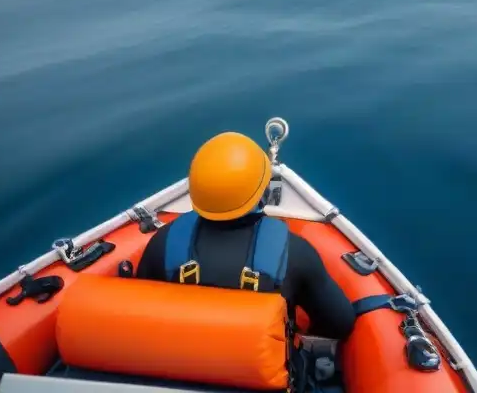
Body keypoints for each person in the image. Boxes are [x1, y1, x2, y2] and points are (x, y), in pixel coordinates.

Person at [137, 131, 356, 340]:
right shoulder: (295, 254)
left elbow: (142, 312)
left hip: (177, 366)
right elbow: (339, 324)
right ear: (263, 192)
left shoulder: (163, 243)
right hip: (261, 375)